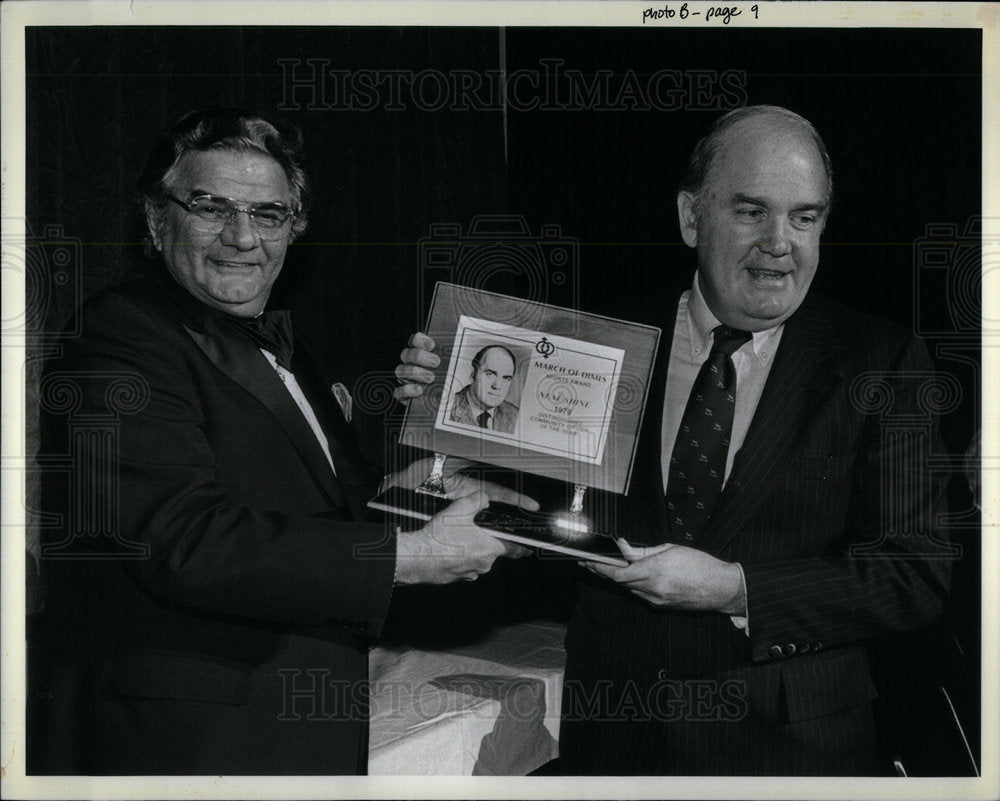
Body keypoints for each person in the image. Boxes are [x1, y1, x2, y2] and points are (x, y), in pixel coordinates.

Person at [394, 105, 951, 775]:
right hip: (617, 739)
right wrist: (433, 402)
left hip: (791, 758)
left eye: (805, 216)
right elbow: (512, 493)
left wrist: (736, 587)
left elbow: (912, 574)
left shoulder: (882, 362)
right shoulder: (600, 344)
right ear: (692, 217)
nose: (781, 242)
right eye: (751, 212)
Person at [32, 107, 533, 775]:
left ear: (294, 229)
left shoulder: (290, 352)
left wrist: (428, 468)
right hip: (183, 746)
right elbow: (185, 539)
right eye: (209, 207)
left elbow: (335, 513)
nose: (241, 236)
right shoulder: (119, 333)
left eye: (268, 214)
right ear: (156, 220)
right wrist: (410, 556)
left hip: (291, 728)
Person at [448, 344, 519, 433]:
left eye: (506, 378)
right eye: (490, 374)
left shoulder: (516, 415)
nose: (497, 386)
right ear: (473, 373)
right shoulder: (447, 408)